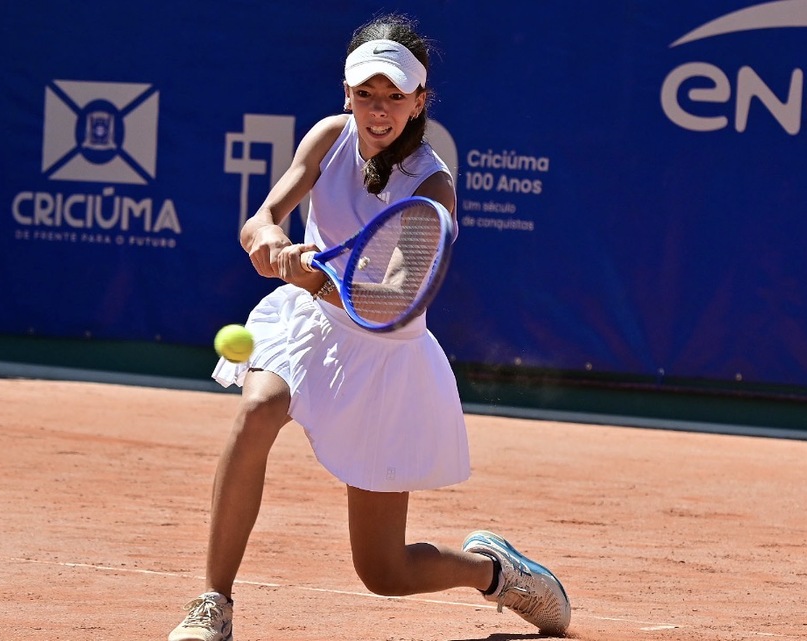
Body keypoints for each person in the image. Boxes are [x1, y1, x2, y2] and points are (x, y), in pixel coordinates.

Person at [169, 13, 571, 641]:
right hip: (310, 325)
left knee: (383, 571)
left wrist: (314, 279)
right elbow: (262, 218)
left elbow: (391, 302)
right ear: (346, 93)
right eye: (365, 93)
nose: (378, 110)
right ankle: (213, 603)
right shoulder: (328, 137)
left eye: (394, 95)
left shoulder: (432, 186)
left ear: (419, 101)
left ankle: (495, 573)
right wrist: (268, 240)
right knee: (258, 409)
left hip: (385, 357)